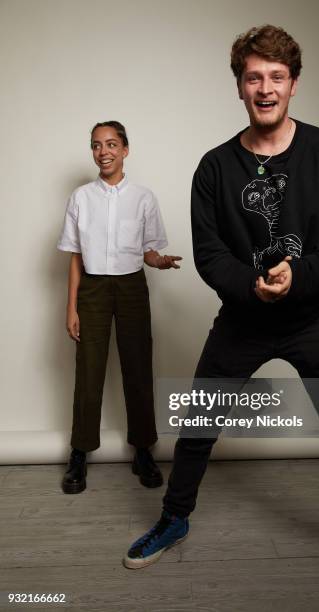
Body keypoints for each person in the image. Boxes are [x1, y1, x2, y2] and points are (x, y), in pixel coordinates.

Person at [123, 26, 319, 606]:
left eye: (277, 76)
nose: (266, 87)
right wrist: (253, 286)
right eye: (254, 77)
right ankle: (175, 519)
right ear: (239, 88)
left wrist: (296, 278)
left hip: (311, 318)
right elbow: (209, 254)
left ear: (294, 84)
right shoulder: (214, 168)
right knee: (198, 425)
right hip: (243, 317)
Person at [57, 120, 181, 494]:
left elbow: (147, 252)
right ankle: (79, 453)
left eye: (111, 144)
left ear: (125, 149)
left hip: (131, 288)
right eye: (96, 145)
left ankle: (143, 449)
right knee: (89, 371)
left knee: (138, 367)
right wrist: (71, 307)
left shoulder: (143, 197)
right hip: (92, 290)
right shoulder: (81, 198)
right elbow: (76, 256)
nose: (103, 151)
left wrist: (158, 262)